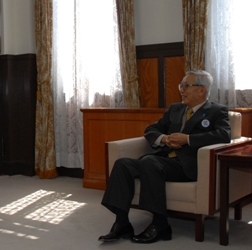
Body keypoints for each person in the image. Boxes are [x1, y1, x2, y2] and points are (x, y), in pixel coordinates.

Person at [98, 70, 231, 244]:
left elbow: (224, 134)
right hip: (164, 160)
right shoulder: (175, 109)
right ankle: (122, 223)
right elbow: (151, 129)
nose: (181, 89)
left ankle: (160, 225)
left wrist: (188, 139)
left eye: (186, 86)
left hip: (188, 166)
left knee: (149, 161)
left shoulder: (216, 111)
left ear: (201, 90)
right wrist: (164, 139)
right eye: (180, 86)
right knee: (123, 164)